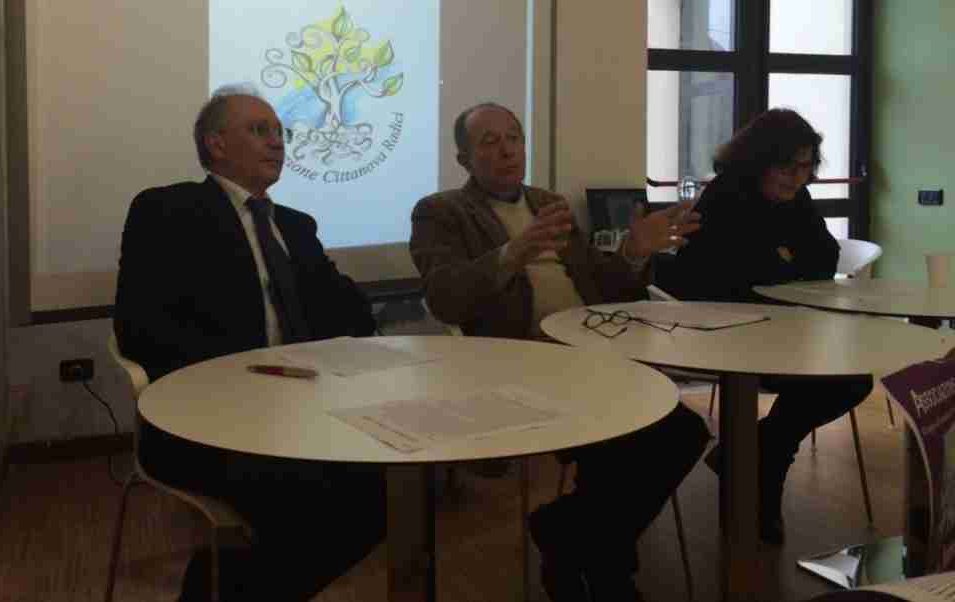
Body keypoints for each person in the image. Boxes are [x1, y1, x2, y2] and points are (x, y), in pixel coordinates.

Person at [409, 102, 710, 601]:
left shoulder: (548, 203)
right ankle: (605, 564)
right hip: (519, 365)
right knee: (621, 443)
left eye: (514, 137)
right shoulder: (441, 212)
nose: (507, 150)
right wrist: (513, 252)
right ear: (464, 158)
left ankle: (566, 531)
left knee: (682, 431)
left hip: (591, 355)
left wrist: (634, 251)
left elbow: (603, 288)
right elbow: (445, 297)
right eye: (489, 142)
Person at [114, 84, 382, 601]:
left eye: (280, 132)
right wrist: (248, 382)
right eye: (260, 130)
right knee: (318, 506)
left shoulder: (294, 227)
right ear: (215, 144)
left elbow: (352, 315)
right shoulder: (167, 211)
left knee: (384, 494)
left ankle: (217, 584)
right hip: (209, 420)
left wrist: (322, 285)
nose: (277, 142)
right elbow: (142, 329)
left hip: (305, 409)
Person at [658, 108, 874, 544]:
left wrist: (781, 261)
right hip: (720, 332)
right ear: (758, 160)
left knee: (852, 379)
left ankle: (757, 456)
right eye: (787, 166)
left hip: (782, 327)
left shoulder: (796, 198)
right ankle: (761, 466)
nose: (797, 177)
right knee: (831, 380)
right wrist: (784, 261)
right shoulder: (726, 196)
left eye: (805, 167)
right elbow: (745, 275)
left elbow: (823, 259)